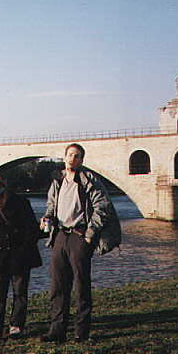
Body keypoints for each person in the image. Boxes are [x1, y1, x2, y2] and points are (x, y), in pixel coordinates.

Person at [40, 143, 120, 343]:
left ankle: (81, 332)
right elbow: (51, 206)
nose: (72, 159)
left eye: (77, 156)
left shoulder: (89, 180)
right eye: (69, 155)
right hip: (60, 235)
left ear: (82, 160)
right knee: (58, 285)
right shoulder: (58, 181)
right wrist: (47, 218)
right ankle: (57, 330)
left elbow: (103, 207)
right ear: (64, 157)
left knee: (81, 285)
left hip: (79, 236)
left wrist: (90, 234)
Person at [0, 177, 42, 339]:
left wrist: (22, 251)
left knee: (20, 293)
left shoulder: (22, 203)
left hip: (20, 256)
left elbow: (31, 230)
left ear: (3, 196)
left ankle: (16, 325)